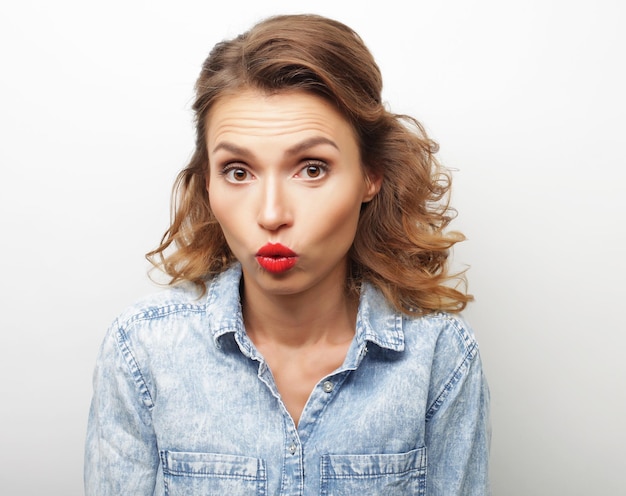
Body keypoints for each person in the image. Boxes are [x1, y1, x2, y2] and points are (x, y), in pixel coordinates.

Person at [84, 13, 490, 496]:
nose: (272, 214)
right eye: (238, 171)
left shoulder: (439, 357)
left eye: (312, 168)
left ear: (371, 174)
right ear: (207, 182)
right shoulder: (142, 351)